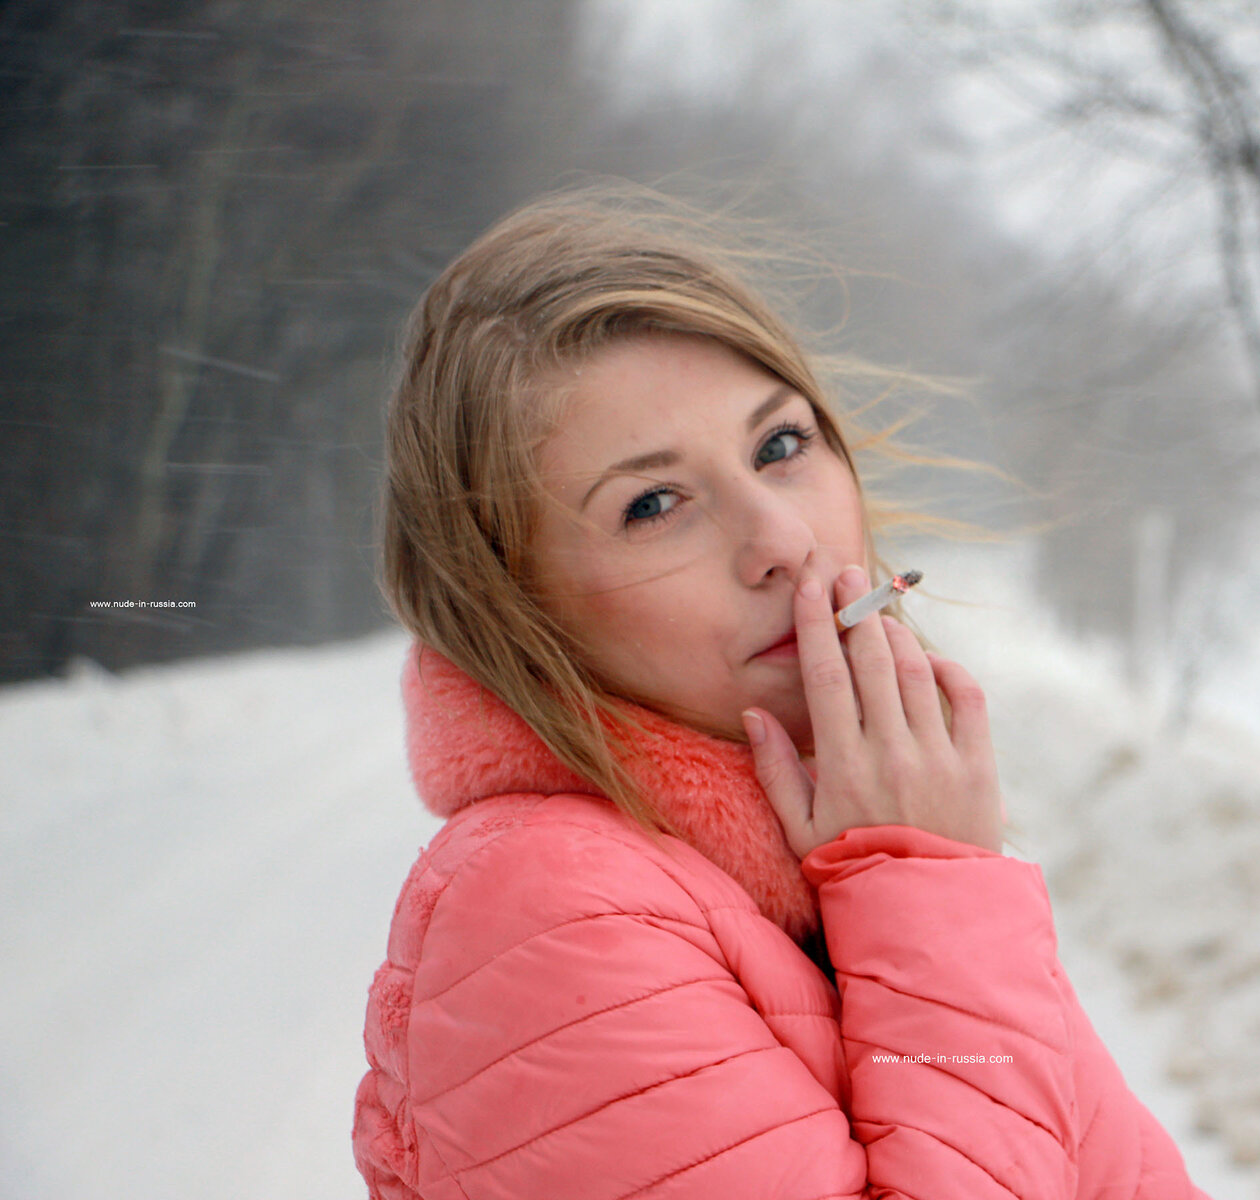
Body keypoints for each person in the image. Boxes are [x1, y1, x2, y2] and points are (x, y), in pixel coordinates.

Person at [352, 185, 1210, 1199]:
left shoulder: (830, 853)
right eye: (653, 504)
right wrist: (926, 890)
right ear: (515, 607)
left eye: (780, 447)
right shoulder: (547, 913)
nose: (784, 541)